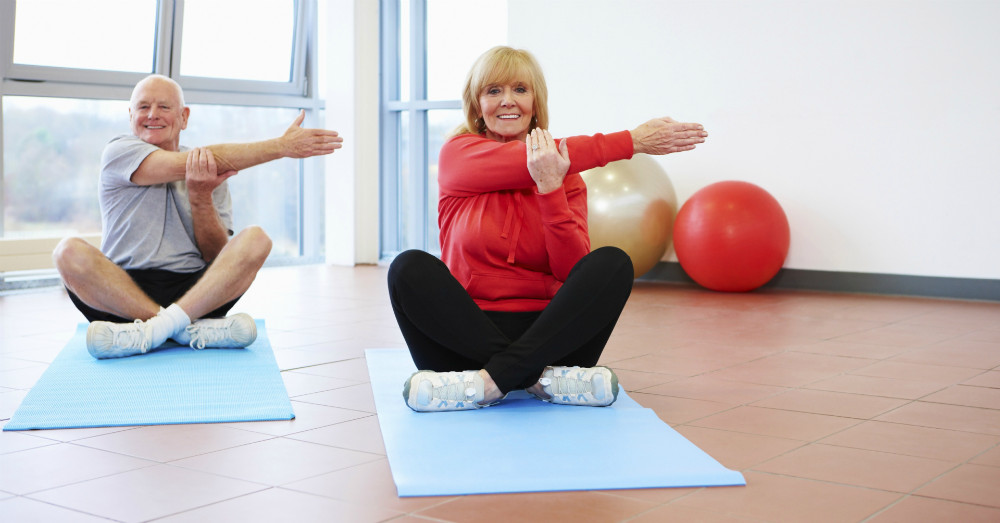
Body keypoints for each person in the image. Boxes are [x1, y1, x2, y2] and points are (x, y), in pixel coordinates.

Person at [387, 46, 707, 412]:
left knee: (612, 263)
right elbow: (523, 161)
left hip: (553, 335)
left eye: (520, 90)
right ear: (477, 106)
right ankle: (539, 380)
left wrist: (551, 190)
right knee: (408, 268)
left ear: (535, 102)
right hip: (466, 335)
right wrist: (632, 141)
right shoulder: (458, 154)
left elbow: (570, 272)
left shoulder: (566, 178)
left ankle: (488, 383)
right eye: (494, 91)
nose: (508, 101)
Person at [53, 74, 343, 359]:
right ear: (130, 115)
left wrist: (201, 196)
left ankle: (152, 331)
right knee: (67, 252)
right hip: (123, 292)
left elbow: (217, 255)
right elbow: (188, 163)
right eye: (143, 107)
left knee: (256, 239)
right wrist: (280, 147)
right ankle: (182, 329)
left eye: (164, 107)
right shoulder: (119, 151)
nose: (152, 115)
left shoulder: (207, 168)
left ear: (184, 117)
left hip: (196, 293)